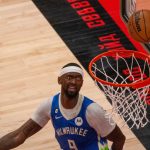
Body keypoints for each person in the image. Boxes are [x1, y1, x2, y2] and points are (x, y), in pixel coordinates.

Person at [0, 62, 125, 150]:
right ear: (59, 80)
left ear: (82, 82)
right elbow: (20, 135)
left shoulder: (93, 110)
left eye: (78, 78)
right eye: (69, 77)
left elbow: (119, 139)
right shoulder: (49, 105)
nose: (73, 82)